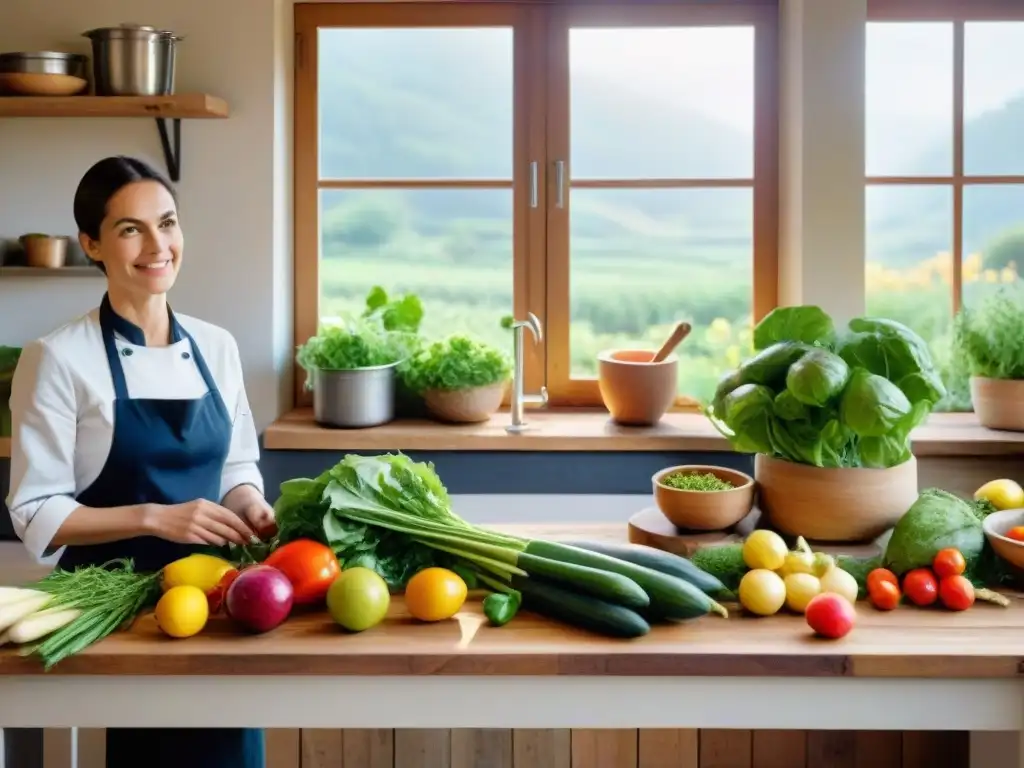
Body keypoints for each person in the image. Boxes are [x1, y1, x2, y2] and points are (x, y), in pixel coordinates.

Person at [6, 155, 275, 768]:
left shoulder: (217, 346)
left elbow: (235, 467)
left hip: (217, 594)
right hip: (114, 601)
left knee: (231, 749)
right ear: (92, 244)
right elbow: (36, 512)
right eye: (131, 229)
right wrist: (156, 517)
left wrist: (251, 506)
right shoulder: (57, 358)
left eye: (168, 223)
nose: (158, 245)